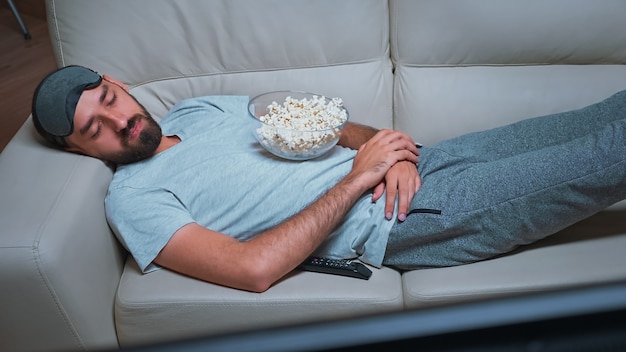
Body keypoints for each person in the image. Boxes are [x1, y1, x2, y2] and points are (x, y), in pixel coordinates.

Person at [32, 65, 626, 292]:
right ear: (77, 149)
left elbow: (322, 124)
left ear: (117, 81)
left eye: (109, 98)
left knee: (601, 118)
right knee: (608, 154)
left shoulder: (197, 111)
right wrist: (357, 180)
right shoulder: (132, 198)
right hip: (400, 219)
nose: (120, 119)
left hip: (417, 164)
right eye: (96, 128)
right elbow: (253, 270)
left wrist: (384, 150)